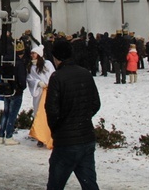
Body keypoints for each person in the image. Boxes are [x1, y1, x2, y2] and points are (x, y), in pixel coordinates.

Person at [45, 39, 101, 190]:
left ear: (56, 58)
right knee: (89, 183)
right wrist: (83, 118)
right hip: (86, 137)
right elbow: (95, 103)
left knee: (55, 185)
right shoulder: (85, 74)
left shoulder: (57, 77)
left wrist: (59, 129)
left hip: (66, 142)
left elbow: (52, 110)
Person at [0, 41, 28, 145]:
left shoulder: (5, 60)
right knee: (12, 114)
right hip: (16, 90)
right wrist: (22, 87)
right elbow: (22, 79)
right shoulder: (19, 63)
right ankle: (9, 136)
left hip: (6, 88)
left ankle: (1, 135)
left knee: (5, 113)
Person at [27, 44, 55, 148]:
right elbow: (30, 79)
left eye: (34, 53)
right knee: (38, 114)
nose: (32, 55)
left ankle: (49, 135)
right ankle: (40, 136)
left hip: (48, 91)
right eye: (32, 53)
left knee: (48, 114)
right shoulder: (31, 66)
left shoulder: (47, 64)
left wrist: (50, 85)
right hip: (39, 93)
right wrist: (38, 83)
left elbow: (53, 75)